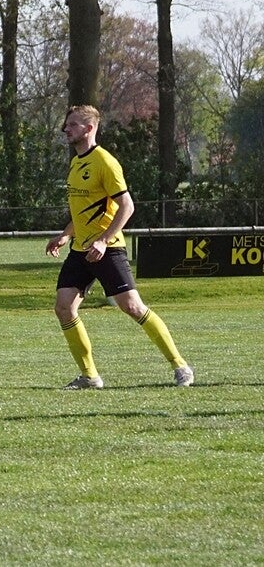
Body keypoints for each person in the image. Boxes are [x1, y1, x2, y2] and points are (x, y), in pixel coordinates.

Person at [46, 105, 193, 390]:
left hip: (107, 248)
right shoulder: (76, 163)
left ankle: (181, 366)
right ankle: (90, 376)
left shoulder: (105, 162)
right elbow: (85, 209)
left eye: (73, 124)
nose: (66, 129)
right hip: (81, 250)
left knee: (133, 307)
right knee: (64, 307)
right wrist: (65, 235)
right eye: (67, 124)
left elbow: (127, 206)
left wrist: (103, 240)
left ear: (89, 128)